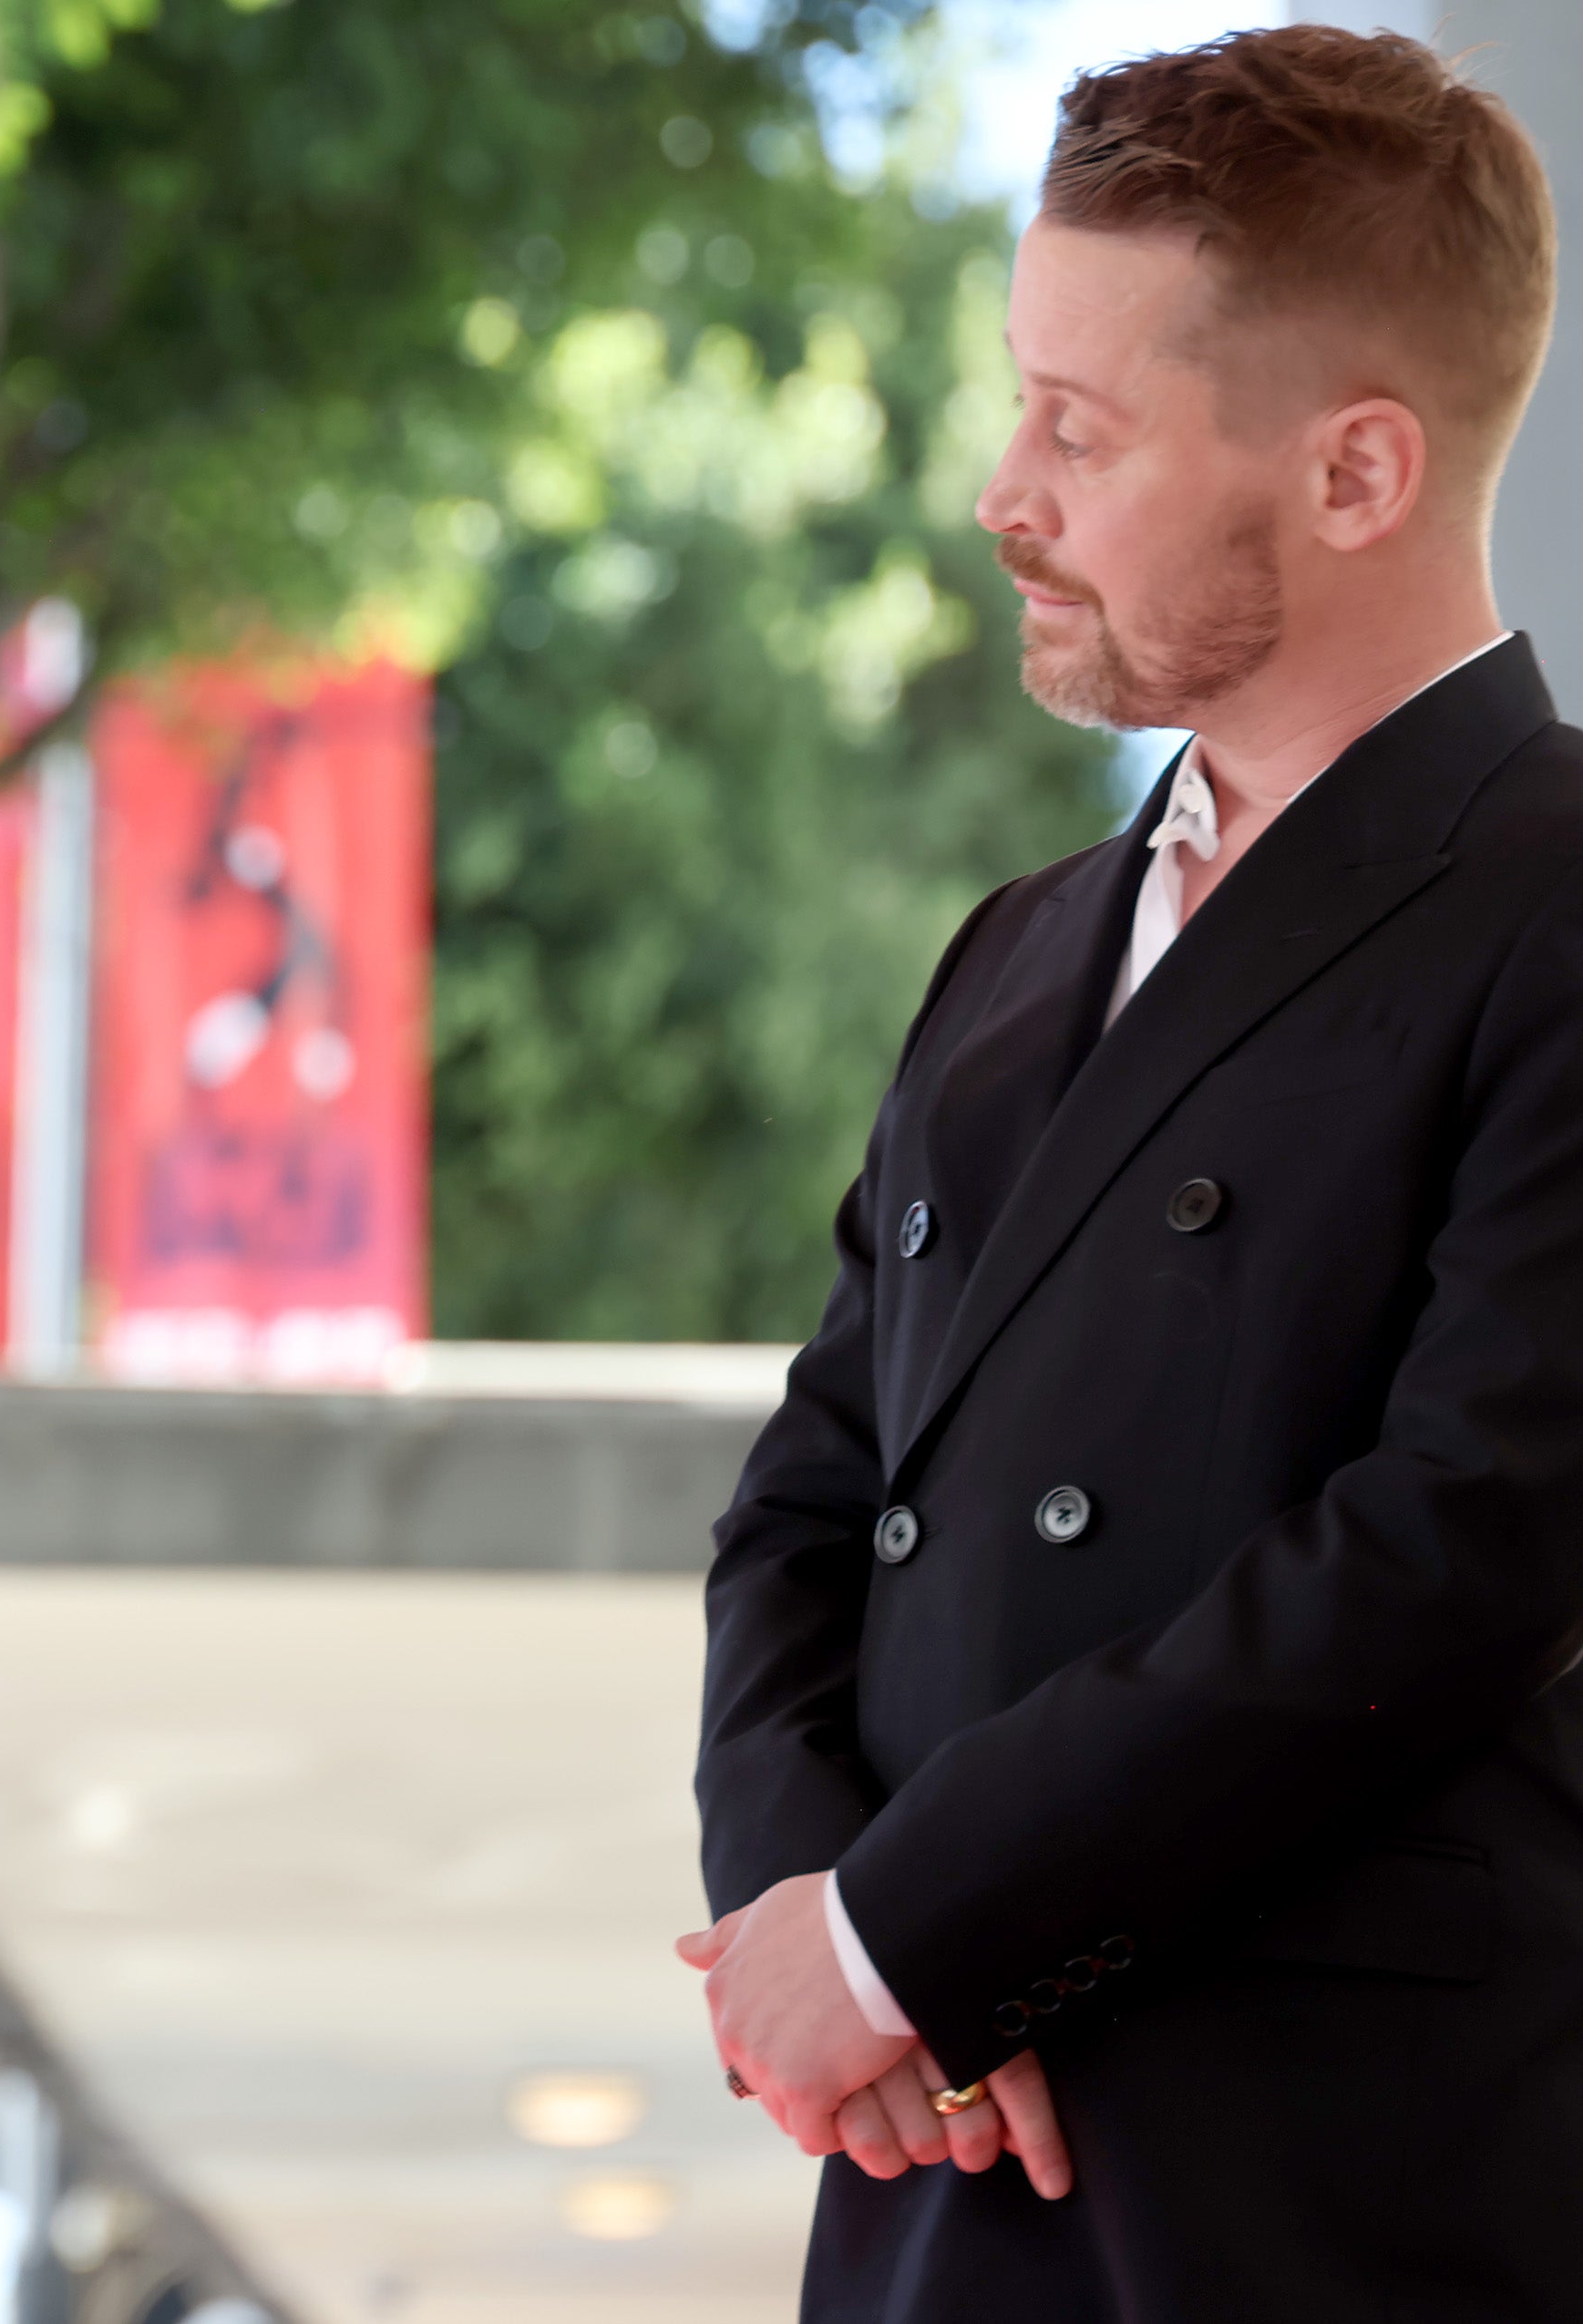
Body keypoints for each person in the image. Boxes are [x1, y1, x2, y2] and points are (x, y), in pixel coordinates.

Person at [684, 26, 1583, 2317]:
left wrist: (907, 1937)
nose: (1003, 489)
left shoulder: (1557, 896)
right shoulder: (1018, 949)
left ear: (1360, 469)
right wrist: (824, 1939)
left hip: (1323, 2212)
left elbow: (1455, 1546)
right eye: (1019, 404)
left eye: (1079, 429)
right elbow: (809, 1502)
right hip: (929, 2185)